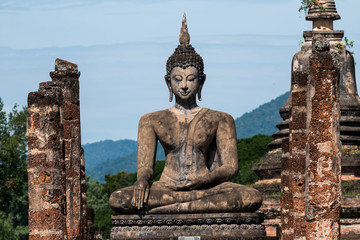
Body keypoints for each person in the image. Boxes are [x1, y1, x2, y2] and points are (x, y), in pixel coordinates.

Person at [109, 14, 262, 214]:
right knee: (118, 199)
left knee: (251, 197)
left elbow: (231, 168)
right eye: (177, 79)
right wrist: (142, 181)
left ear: (201, 81)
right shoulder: (151, 120)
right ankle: (185, 208)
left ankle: (170, 211)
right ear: (168, 82)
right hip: (166, 188)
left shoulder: (220, 119)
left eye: (190, 79)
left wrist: (205, 179)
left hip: (206, 188)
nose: (183, 86)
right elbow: (146, 167)